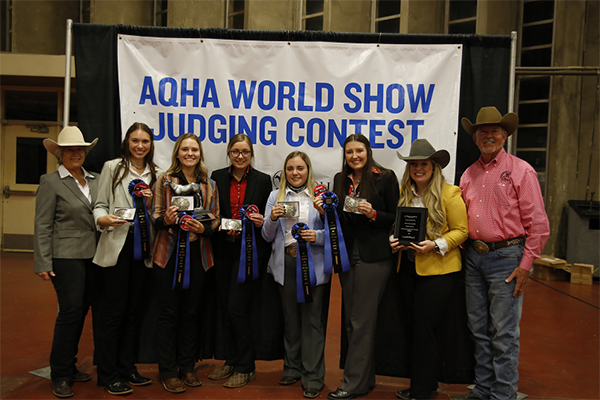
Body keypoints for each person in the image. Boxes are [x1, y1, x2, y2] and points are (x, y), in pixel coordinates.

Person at [456, 107, 550, 400]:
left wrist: (525, 264)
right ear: (475, 138)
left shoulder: (521, 171)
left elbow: (538, 224)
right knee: (479, 328)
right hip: (474, 257)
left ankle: (503, 393)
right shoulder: (468, 174)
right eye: (482, 131)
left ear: (505, 134)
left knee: (504, 331)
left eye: (495, 130)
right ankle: (484, 388)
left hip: (507, 258)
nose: (489, 135)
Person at [390, 139, 469, 400]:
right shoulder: (404, 193)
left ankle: (421, 390)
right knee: (415, 328)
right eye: (414, 164)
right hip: (409, 268)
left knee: (424, 329)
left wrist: (434, 245)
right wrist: (393, 239)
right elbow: (398, 227)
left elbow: (462, 231)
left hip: (439, 271)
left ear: (433, 166)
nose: (418, 169)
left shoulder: (450, 193)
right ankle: (427, 383)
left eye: (423, 164)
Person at [326, 134, 400, 400]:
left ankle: (353, 383)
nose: (354, 156)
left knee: (361, 322)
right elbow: (337, 214)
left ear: (368, 151)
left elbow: (395, 215)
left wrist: (374, 214)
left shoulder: (386, 177)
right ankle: (364, 378)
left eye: (359, 151)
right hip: (346, 255)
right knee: (351, 321)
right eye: (349, 152)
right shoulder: (339, 179)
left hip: (374, 257)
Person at [92, 122, 162, 395]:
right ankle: (108, 374)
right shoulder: (113, 168)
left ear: (150, 145)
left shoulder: (156, 173)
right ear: (127, 143)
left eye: (145, 141)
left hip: (144, 250)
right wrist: (103, 219)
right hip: (117, 247)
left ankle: (126, 367)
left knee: (134, 312)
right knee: (113, 313)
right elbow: (99, 204)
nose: (140, 146)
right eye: (135, 141)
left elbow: (157, 211)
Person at [33, 126, 100, 398]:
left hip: (93, 256)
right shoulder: (50, 182)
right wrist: (42, 261)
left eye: (80, 149)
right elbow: (42, 224)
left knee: (81, 312)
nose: (76, 153)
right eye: (70, 149)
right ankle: (59, 373)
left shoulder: (94, 180)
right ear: (59, 153)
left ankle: (69, 367)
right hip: (65, 256)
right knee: (70, 312)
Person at [151, 133, 220, 394]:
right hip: (167, 256)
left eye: (194, 149)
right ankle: (168, 371)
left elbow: (215, 220)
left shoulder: (209, 185)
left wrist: (202, 228)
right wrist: (168, 220)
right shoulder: (164, 181)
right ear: (177, 153)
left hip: (199, 256)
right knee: (169, 314)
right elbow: (155, 216)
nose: (190, 153)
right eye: (185, 149)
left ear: (200, 154)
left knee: (191, 315)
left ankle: (187, 366)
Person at [262, 151, 330, 399]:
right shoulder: (274, 196)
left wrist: (317, 236)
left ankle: (313, 377)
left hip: (313, 266)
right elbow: (267, 236)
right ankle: (292, 368)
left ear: (308, 170)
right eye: (290, 168)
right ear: (284, 171)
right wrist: (271, 218)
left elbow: (332, 234)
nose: (295, 173)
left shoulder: (321, 197)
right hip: (284, 264)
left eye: (300, 168)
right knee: (290, 319)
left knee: (312, 322)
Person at [208, 134, 272, 388]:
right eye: (235, 151)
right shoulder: (217, 177)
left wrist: (260, 222)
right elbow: (214, 211)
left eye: (245, 152)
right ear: (228, 153)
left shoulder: (263, 180)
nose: (240, 156)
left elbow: (268, 219)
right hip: (223, 249)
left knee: (237, 307)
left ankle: (247, 366)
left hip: (250, 253)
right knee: (225, 308)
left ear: (251, 154)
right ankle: (231, 360)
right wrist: (224, 226)